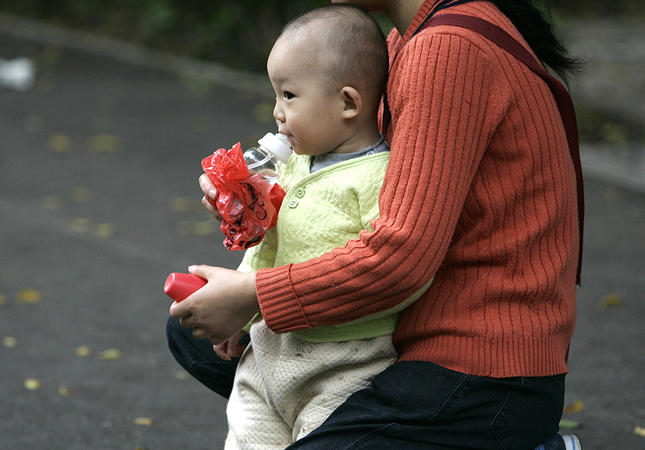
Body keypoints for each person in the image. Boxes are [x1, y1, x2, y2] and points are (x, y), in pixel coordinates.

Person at [168, 0, 584, 448]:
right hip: (406, 328)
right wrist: (255, 206)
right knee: (193, 325)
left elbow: (398, 257)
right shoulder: (403, 41)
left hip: (479, 368)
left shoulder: (447, 49)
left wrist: (253, 296)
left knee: (237, 320)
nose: (278, 110)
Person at [213, 5, 431, 448]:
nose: (277, 112)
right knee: (247, 437)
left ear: (348, 102)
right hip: (270, 349)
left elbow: (391, 264)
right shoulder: (296, 165)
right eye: (276, 96)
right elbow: (265, 246)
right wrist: (240, 304)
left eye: (289, 96)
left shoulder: (380, 176)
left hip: (344, 362)